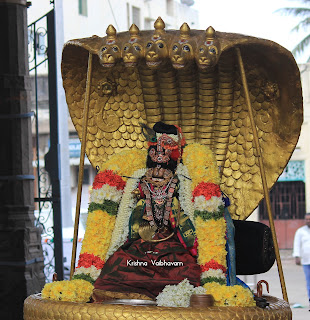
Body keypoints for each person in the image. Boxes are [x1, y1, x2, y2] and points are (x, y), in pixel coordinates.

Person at [293, 213, 310, 310]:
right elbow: (297, 244)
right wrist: (297, 256)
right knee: (309, 283)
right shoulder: (301, 231)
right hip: (306, 261)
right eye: (307, 219)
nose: (308, 221)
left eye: (309, 219)